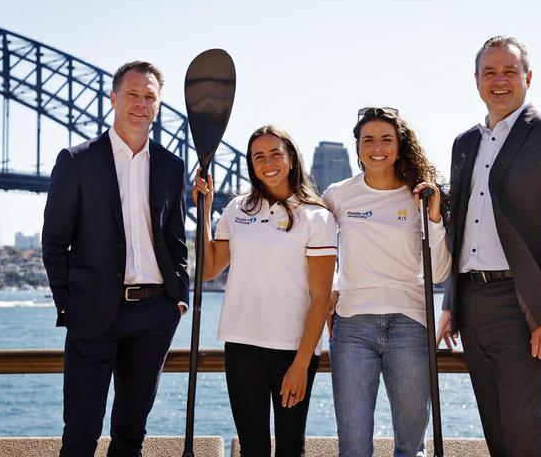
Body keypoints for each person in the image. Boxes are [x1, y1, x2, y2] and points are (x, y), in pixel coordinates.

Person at [42, 61, 189, 457]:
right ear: (112, 99)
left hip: (154, 315)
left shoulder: (171, 166)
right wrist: (69, 302)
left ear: (157, 105)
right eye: (132, 94)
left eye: (149, 97)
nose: (141, 104)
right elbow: (54, 242)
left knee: (130, 434)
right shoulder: (77, 161)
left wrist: (178, 297)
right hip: (94, 314)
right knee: (81, 433)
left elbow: (176, 239)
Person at [436, 36, 541, 455]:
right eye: (490, 72)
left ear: (528, 77)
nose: (499, 80)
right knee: (497, 435)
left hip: (523, 306)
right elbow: (460, 230)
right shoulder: (464, 143)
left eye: (509, 71)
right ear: (476, 80)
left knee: (526, 435)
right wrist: (451, 301)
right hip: (473, 306)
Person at [192, 125, 337, 457]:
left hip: (292, 351)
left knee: (289, 447)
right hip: (242, 346)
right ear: (250, 163)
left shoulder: (316, 217)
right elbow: (210, 268)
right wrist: (204, 209)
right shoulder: (237, 209)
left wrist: (302, 364)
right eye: (259, 156)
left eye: (275, 153)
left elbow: (320, 296)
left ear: (290, 158)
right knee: (252, 448)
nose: (268, 162)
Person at [323, 107, 451, 457]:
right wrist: (333, 286)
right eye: (368, 140)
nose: (377, 147)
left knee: (411, 447)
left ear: (399, 145)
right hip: (352, 328)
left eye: (386, 139)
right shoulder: (337, 195)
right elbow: (317, 250)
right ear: (358, 146)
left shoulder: (420, 196)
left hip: (410, 325)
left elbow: (438, 273)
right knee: (353, 447)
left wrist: (436, 217)